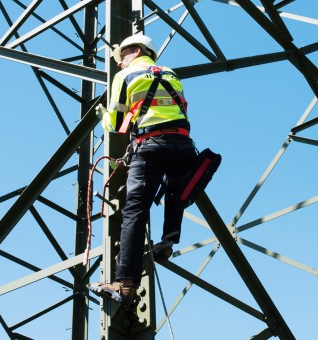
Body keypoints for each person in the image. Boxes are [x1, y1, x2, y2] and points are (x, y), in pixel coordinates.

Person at [89, 34, 196, 305]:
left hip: (150, 146)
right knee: (176, 194)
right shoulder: (171, 73)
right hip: (183, 144)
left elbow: (116, 123)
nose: (120, 61)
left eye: (122, 55)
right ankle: (168, 242)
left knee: (134, 212)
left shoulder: (125, 76)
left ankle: (124, 285)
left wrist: (103, 116)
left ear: (136, 50)